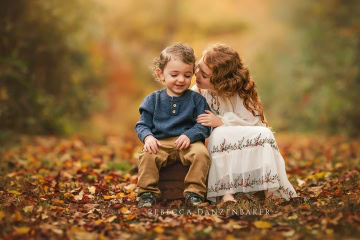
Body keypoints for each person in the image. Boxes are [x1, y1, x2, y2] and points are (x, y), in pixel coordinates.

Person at [192, 43, 298, 203]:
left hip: (243, 134)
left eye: (205, 76)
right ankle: (226, 194)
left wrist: (222, 121)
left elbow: (251, 120)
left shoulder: (239, 91)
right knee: (220, 133)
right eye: (198, 68)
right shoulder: (197, 92)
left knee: (265, 133)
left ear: (221, 81)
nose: (197, 75)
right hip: (220, 140)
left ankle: (271, 190)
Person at [135, 43, 211, 208]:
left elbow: (204, 126)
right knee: (147, 155)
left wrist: (189, 135)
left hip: (188, 142)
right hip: (161, 143)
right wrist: (148, 138)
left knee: (201, 154)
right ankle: (146, 193)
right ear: (161, 74)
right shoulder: (152, 100)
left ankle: (194, 193)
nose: (181, 80)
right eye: (174, 74)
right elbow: (142, 125)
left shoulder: (197, 99)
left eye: (187, 75)